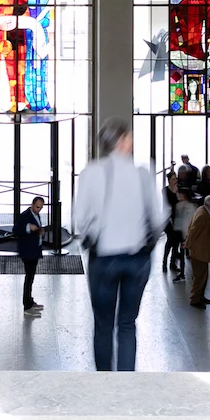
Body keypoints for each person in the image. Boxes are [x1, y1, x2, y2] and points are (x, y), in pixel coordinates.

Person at [73, 118, 167, 372]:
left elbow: (78, 219)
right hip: (137, 259)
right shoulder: (143, 173)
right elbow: (158, 218)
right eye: (130, 137)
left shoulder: (91, 173)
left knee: (103, 326)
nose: (132, 141)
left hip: (103, 258)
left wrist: (96, 230)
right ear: (122, 140)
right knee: (127, 325)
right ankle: (126, 385)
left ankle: (105, 386)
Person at [185, 195, 210, 308]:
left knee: (203, 276)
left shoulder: (201, 210)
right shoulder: (202, 215)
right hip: (199, 251)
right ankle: (195, 299)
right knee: (199, 277)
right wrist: (187, 244)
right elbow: (193, 231)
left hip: (202, 251)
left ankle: (200, 296)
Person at [16, 195, 46, 316]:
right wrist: (28, 227)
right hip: (28, 252)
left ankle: (30, 301)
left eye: (41, 208)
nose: (39, 209)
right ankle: (27, 306)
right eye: (37, 207)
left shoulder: (36, 215)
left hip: (34, 251)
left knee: (31, 278)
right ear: (32, 205)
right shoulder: (25, 216)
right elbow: (16, 230)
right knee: (29, 278)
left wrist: (40, 232)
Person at [169, 189, 197, 283]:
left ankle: (188, 273)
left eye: (179, 194)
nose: (178, 195)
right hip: (180, 232)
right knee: (182, 254)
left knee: (188, 253)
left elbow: (188, 221)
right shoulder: (180, 205)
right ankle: (182, 273)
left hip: (185, 233)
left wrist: (187, 235)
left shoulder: (189, 207)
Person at [161, 180, 185, 277]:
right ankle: (164, 262)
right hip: (168, 220)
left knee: (176, 242)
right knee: (170, 241)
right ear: (169, 180)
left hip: (177, 219)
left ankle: (172, 263)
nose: (175, 180)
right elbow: (170, 204)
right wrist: (175, 194)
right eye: (173, 178)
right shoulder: (165, 190)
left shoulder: (177, 189)